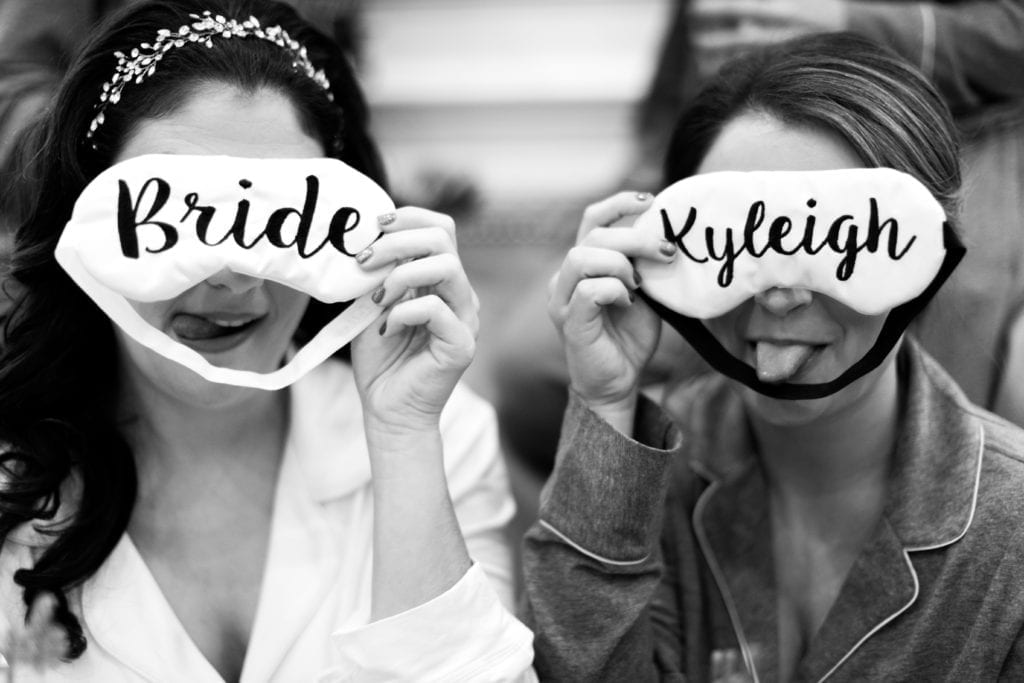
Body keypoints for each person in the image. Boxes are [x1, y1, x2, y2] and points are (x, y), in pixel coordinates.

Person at [0, 0, 533, 680]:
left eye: (282, 221)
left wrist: (404, 439)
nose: (231, 277)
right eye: (182, 215)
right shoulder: (13, 479)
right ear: (88, 220)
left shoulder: (441, 438)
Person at [521, 33, 1024, 681]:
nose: (781, 295)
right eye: (734, 240)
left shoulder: (1010, 537)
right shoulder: (645, 486)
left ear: (933, 251)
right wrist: (602, 405)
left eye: (838, 238)